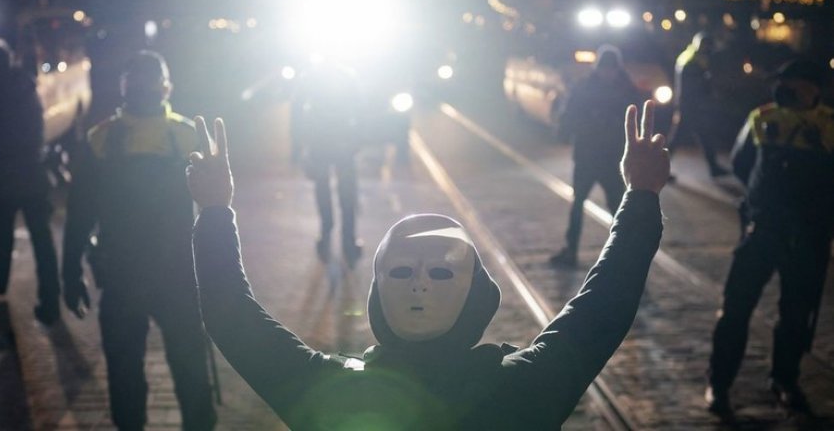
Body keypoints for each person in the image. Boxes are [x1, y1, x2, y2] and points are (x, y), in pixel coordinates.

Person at [186, 100, 669, 430]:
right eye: (403, 272)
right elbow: (605, 304)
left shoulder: (327, 392)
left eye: (439, 272)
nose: (419, 286)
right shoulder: (525, 387)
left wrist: (213, 211)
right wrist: (641, 196)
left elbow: (230, 315)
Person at [61, 51, 216, 430]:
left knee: (138, 374)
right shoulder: (185, 137)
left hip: (144, 277)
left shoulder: (106, 139)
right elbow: (218, 214)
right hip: (160, 278)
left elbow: (79, 215)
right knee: (184, 371)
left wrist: (70, 273)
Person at [706, 59, 834, 418]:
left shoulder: (829, 125)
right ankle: (719, 383)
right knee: (735, 309)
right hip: (763, 230)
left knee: (795, 315)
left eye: (791, 83)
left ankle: (785, 380)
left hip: (808, 237)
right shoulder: (762, 118)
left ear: (812, 88)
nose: (783, 90)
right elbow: (741, 164)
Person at [0, 37, 60, 324]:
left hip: (2, 179)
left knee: (2, 233)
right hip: (32, 175)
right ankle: (50, 299)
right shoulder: (26, 88)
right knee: (42, 239)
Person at [549, 44, 642, 267]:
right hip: (591, 155)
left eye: (610, 69)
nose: (607, 73)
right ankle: (573, 249)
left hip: (609, 157)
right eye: (605, 69)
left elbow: (635, 119)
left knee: (616, 205)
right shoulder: (614, 88)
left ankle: (622, 251)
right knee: (581, 202)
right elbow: (570, 114)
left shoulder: (619, 89)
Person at [292, 60, 363, 265]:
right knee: (347, 193)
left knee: (322, 189)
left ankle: (325, 236)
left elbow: (297, 109)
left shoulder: (311, 76)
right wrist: (357, 139)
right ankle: (348, 243)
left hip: (320, 141)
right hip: (343, 142)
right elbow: (360, 110)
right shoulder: (348, 75)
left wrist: (298, 145)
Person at [668, 32, 729, 178]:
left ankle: (714, 168)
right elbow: (695, 86)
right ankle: (659, 170)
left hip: (689, 106)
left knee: (702, 136)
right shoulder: (693, 61)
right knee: (679, 139)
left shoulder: (691, 56)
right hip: (691, 106)